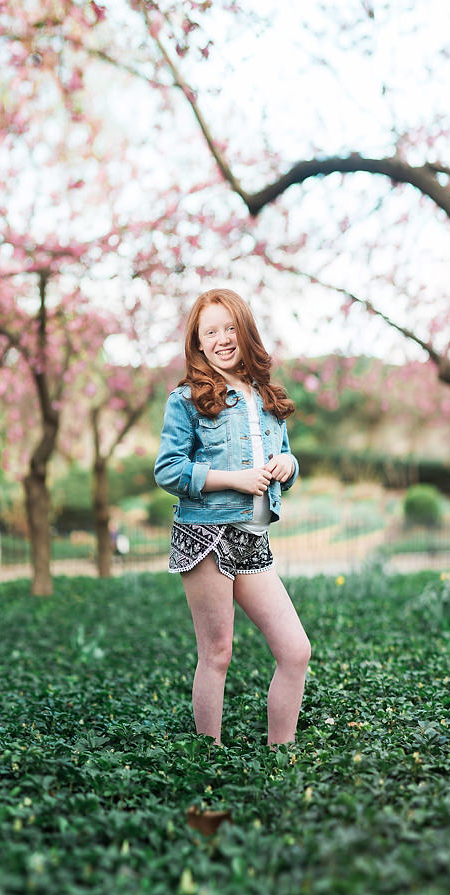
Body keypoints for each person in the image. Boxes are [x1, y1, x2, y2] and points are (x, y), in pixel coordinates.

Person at [153, 288, 311, 746]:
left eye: (229, 328)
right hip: (205, 532)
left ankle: (280, 756)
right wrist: (232, 479)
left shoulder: (268, 396)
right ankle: (209, 759)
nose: (222, 339)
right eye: (210, 332)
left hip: (251, 537)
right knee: (217, 653)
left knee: (295, 651)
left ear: (244, 332)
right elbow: (168, 469)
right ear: (198, 343)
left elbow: (281, 457)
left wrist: (290, 465)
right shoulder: (186, 400)